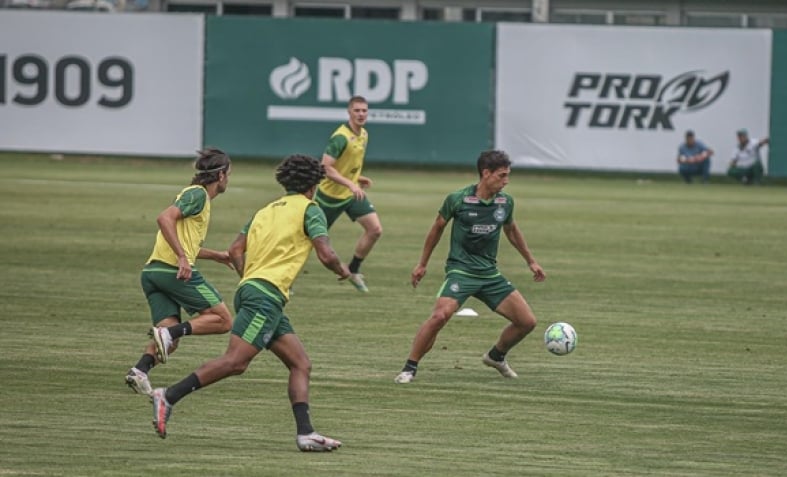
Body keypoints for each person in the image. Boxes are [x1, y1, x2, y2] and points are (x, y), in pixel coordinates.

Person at [150, 154, 351, 452]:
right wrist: (342, 270)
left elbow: (234, 249)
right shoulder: (311, 209)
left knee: (300, 363)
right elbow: (327, 254)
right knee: (236, 361)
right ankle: (168, 395)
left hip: (255, 292)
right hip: (265, 297)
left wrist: (250, 278)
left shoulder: (265, 210)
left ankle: (306, 433)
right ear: (314, 185)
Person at [394, 150, 546, 384]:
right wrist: (422, 264)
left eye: (508, 176)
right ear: (486, 174)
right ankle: (409, 368)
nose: (506, 181)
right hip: (461, 272)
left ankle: (496, 356)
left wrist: (531, 261)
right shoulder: (458, 199)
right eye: (502, 175)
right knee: (439, 316)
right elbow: (437, 228)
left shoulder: (505, 202)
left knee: (527, 322)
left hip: (490, 274)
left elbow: (511, 230)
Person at [125, 147, 234, 397]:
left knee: (169, 344)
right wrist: (183, 258)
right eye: (228, 174)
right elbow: (165, 218)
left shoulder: (196, 197)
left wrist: (216, 255)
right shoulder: (198, 195)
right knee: (223, 320)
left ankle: (140, 370)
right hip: (172, 271)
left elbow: (186, 241)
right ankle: (168, 333)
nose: (228, 179)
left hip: (153, 273)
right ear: (220, 176)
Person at [315, 95, 381, 293]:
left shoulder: (364, 135)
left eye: (364, 110)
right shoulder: (340, 137)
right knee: (308, 240)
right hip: (329, 197)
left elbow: (348, 164)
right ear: (349, 112)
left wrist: (357, 178)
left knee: (375, 229)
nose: (361, 114)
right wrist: (349, 184)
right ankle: (287, 279)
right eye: (357, 110)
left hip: (351, 194)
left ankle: (353, 270)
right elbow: (325, 167)